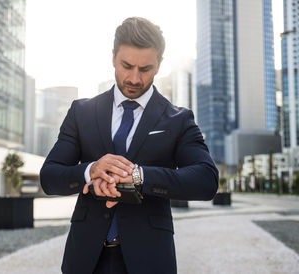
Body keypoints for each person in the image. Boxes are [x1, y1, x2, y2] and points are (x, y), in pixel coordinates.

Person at [40, 17, 218, 274]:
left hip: (149, 260)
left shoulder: (178, 119)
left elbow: (206, 180)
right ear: (113, 57)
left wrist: (137, 176)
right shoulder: (81, 112)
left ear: (159, 65)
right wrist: (91, 171)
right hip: (85, 260)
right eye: (126, 66)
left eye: (145, 68)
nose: (134, 78)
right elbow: (49, 176)